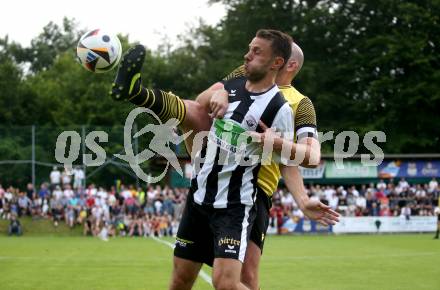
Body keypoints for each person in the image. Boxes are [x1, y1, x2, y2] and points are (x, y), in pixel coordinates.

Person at [111, 31, 339, 290]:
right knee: (182, 278)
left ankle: (139, 94)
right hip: (207, 182)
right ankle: (137, 93)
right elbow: (201, 103)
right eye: (250, 50)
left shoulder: (298, 104)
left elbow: (304, 157)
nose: (248, 57)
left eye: (257, 52)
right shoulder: (240, 77)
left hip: (252, 192)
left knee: (242, 281)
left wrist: (299, 195)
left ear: (286, 64)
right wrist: (216, 93)